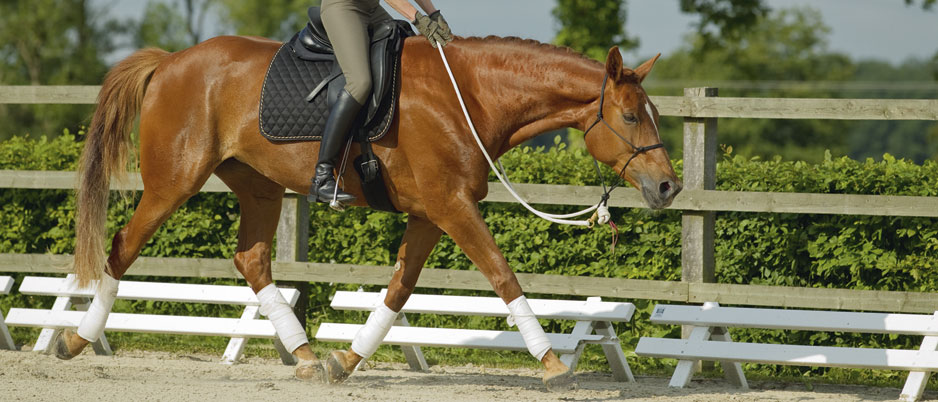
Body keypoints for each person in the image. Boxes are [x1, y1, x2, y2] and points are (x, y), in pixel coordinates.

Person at [310, 0, 454, 205]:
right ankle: (322, 176)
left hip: (371, 9)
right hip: (343, 7)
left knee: (410, 54)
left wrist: (434, 14)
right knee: (360, 83)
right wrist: (417, 18)